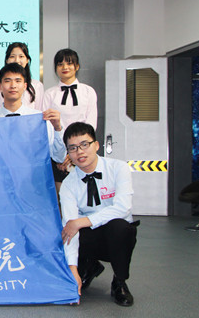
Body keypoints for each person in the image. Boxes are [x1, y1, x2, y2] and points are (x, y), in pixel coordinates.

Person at [60, 122, 137, 307]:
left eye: (84, 144)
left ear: (96, 145)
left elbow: (123, 208)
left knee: (120, 227)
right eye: (73, 148)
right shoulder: (68, 185)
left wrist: (82, 221)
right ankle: (90, 265)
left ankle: (119, 282)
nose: (79, 152)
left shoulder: (118, 168)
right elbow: (70, 228)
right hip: (89, 237)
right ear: (68, 153)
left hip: (116, 234)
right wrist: (72, 270)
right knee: (67, 232)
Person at [0, 63, 66, 163]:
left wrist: (57, 128)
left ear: (25, 86)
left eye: (18, 81)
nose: (13, 86)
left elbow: (59, 157)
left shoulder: (40, 120)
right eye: (7, 81)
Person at [42, 48, 98, 189]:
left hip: (83, 151)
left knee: (85, 192)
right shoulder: (49, 94)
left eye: (69, 63)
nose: (65, 67)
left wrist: (75, 151)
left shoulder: (88, 91)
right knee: (60, 196)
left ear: (77, 66)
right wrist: (60, 154)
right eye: (60, 64)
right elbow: (46, 127)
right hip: (57, 153)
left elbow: (91, 124)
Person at [0, 42, 43, 111]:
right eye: (12, 56)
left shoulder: (37, 86)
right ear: (7, 60)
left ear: (27, 60)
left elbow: (39, 113)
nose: (16, 60)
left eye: (21, 56)